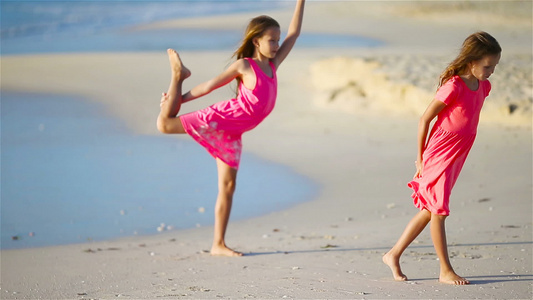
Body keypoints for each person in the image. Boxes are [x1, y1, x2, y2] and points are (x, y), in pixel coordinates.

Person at [156, 0, 305, 257]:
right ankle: (177, 77)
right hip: (222, 119)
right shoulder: (245, 66)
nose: (277, 45)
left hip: (233, 133)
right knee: (164, 125)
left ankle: (218, 244)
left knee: (227, 186)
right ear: (256, 41)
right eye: (272, 40)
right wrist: (179, 98)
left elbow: (295, 33)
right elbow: (208, 87)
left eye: (277, 40)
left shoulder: (273, 64)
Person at [383, 32, 501, 284]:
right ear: (472, 62)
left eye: (494, 66)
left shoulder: (484, 86)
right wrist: (420, 158)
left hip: (458, 153)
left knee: (430, 209)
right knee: (439, 210)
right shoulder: (454, 86)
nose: (491, 71)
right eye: (487, 66)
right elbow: (425, 119)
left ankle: (393, 255)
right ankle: (445, 271)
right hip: (439, 152)